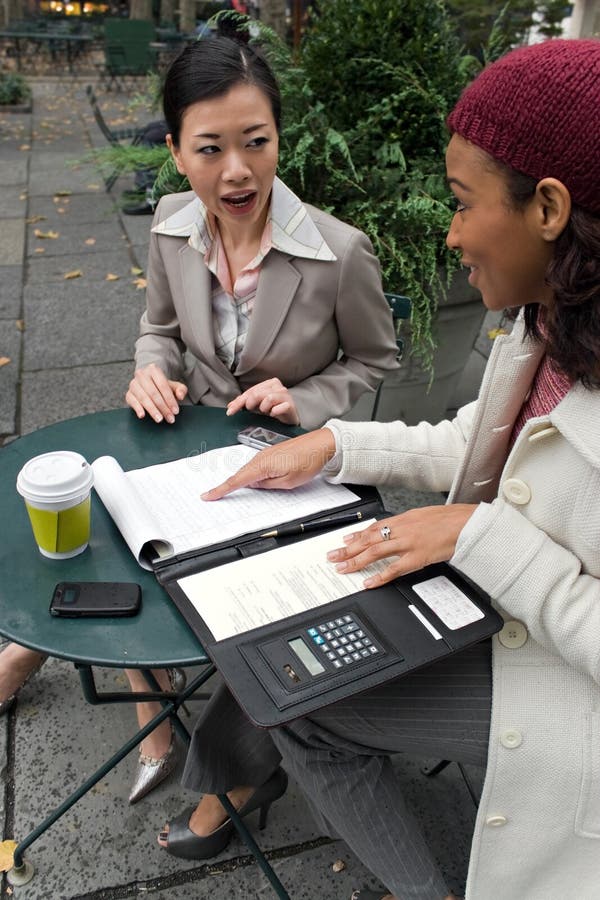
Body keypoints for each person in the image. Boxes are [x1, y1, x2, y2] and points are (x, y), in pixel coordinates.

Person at [154, 38, 600, 900]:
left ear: (548, 208)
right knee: (270, 646)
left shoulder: (342, 251)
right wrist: (334, 447)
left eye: (465, 204)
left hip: (561, 680)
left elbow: (380, 366)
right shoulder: (553, 323)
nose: (451, 232)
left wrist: (479, 534)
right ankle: (235, 781)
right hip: (501, 610)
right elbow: (481, 439)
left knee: (301, 700)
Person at [123, 31, 400, 806]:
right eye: (210, 148)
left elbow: (378, 359)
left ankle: (233, 775)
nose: (238, 170)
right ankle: (152, 713)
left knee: (251, 614)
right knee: (116, 544)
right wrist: (152, 369)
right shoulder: (171, 224)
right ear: (177, 151)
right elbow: (160, 330)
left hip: (293, 476)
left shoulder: (340, 253)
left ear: (280, 137)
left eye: (257, 142)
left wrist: (305, 402)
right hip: (191, 453)